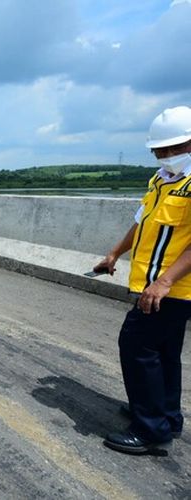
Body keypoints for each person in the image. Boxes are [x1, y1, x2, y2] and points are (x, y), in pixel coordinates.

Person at [97, 106, 191, 455]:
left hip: (173, 289)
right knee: (164, 352)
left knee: (136, 346)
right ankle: (165, 415)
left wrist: (164, 283)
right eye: (159, 150)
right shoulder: (161, 180)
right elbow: (142, 222)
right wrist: (115, 253)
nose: (165, 156)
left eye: (172, 149)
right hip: (153, 286)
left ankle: (150, 428)